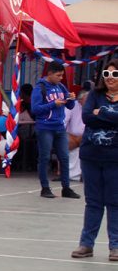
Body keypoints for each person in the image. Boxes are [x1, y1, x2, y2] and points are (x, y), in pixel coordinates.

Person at [71, 60, 118, 261]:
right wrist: (110, 115)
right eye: (107, 74)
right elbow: (87, 117)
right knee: (93, 202)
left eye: (115, 74)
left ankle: (115, 246)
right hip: (90, 156)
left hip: (114, 158)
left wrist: (103, 112)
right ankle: (86, 244)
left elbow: (97, 116)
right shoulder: (94, 96)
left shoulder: (100, 103)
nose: (110, 78)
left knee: (115, 202)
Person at [30, 62, 81, 199]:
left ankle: (66, 188)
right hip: (45, 127)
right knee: (44, 157)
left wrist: (71, 99)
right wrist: (53, 104)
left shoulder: (61, 87)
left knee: (64, 157)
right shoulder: (39, 88)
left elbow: (69, 106)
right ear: (50, 74)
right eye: (58, 75)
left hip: (59, 127)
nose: (60, 78)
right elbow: (35, 109)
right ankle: (45, 188)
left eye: (62, 75)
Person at [64, 81, 88, 183]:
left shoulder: (93, 107)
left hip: (86, 136)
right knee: (67, 141)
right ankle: (73, 175)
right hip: (71, 136)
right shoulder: (72, 106)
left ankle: (83, 174)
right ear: (81, 100)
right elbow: (63, 124)